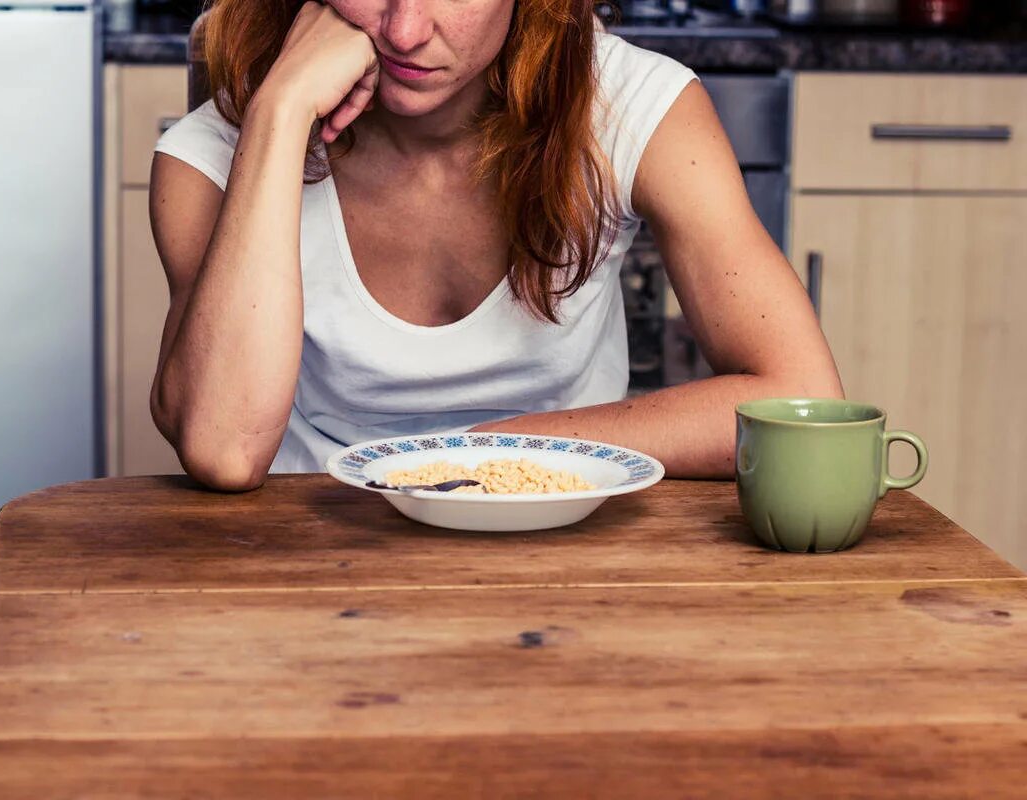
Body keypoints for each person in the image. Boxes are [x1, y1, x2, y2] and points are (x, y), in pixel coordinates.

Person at [149, 0, 843, 491]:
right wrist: (279, 112)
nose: (406, 29)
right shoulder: (208, 157)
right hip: (307, 544)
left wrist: (488, 454)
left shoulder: (632, 104)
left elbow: (800, 396)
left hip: (559, 524)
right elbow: (224, 452)